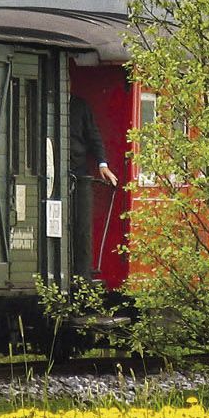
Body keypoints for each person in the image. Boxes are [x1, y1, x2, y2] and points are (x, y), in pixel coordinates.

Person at [69, 93, 118, 279]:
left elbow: (93, 135)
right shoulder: (47, 102)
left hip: (77, 170)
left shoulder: (80, 106)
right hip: (53, 172)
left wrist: (102, 164)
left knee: (81, 226)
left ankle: (81, 275)